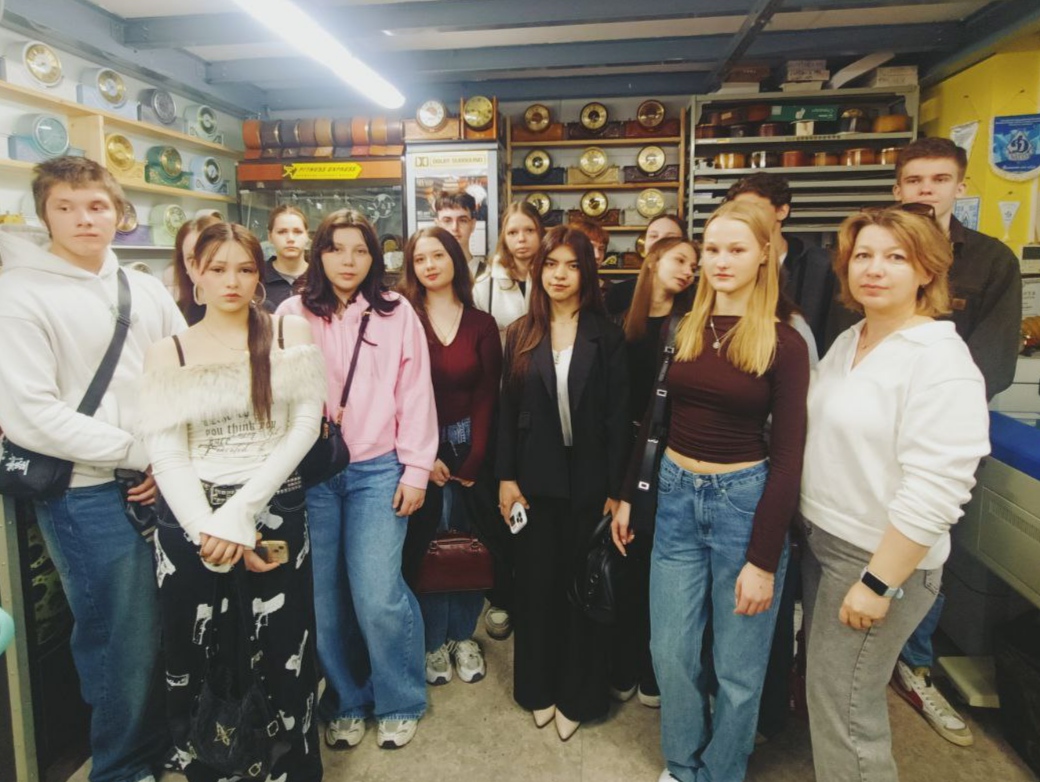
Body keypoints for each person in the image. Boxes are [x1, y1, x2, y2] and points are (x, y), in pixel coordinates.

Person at [0, 156, 185, 782]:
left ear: (119, 213)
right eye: (66, 207)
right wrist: (140, 452)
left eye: (97, 206)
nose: (84, 219)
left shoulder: (143, 288)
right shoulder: (20, 293)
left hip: (161, 480)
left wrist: (168, 456)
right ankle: (120, 765)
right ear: (44, 214)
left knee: (163, 624)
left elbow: (184, 371)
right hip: (84, 493)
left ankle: (155, 744)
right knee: (118, 635)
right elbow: (30, 416)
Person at [612, 199, 810, 782]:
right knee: (670, 652)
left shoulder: (785, 342)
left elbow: (790, 458)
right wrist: (629, 494)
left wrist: (763, 560)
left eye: (737, 250)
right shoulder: (682, 327)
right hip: (674, 496)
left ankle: (722, 771)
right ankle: (682, 765)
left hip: (742, 504)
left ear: (764, 255)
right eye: (713, 250)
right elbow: (656, 419)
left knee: (737, 666)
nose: (721, 261)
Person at [800, 206, 989, 782]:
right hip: (824, 540)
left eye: (895, 257)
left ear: (927, 270)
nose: (874, 269)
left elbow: (939, 486)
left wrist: (879, 582)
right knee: (828, 692)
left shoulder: (940, 360)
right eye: (863, 256)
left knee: (845, 709)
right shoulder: (851, 339)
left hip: (877, 558)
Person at [137, 223, 326, 781]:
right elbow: (166, 450)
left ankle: (289, 766)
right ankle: (214, 766)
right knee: (197, 651)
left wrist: (241, 514)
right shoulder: (168, 351)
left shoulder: (288, 332)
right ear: (194, 271)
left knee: (284, 646)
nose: (232, 281)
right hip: (191, 517)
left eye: (244, 269)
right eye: (217, 268)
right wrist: (206, 526)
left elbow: (304, 428)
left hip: (273, 508)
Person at [275, 209, 438, 751]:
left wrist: (416, 469)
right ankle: (345, 700)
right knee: (322, 601)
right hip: (311, 473)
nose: (348, 260)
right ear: (318, 253)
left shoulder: (396, 311)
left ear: (375, 257)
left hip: (377, 469)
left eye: (360, 250)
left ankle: (399, 698)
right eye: (336, 248)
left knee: (377, 594)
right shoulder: (292, 312)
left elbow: (415, 393)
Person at [878, 138, 1021, 746]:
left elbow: (994, 361)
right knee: (861, 544)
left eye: (939, 179)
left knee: (928, 552)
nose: (926, 190)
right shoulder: (876, 252)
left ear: (960, 187)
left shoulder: (990, 261)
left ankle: (913, 667)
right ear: (898, 188)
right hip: (871, 433)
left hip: (938, 440)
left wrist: (931, 407)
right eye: (914, 180)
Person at [497, 225, 630, 741]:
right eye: (551, 264)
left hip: (592, 485)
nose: (559, 275)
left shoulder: (607, 336)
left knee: (584, 591)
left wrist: (618, 492)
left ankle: (580, 695)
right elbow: (506, 412)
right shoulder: (520, 333)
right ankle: (538, 688)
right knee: (536, 589)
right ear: (539, 270)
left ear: (586, 273)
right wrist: (506, 478)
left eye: (572, 266)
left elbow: (619, 420)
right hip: (534, 482)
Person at [398, 227, 502, 687]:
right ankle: (432, 641)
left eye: (438, 255)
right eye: (420, 258)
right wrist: (423, 457)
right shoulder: (402, 317)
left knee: (468, 542)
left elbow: (488, 392)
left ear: (455, 260)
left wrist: (475, 457)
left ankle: (463, 635)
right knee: (425, 544)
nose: (429, 265)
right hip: (414, 447)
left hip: (468, 444)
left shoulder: (481, 323)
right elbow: (395, 391)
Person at [609, 237, 697, 709]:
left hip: (667, 450)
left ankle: (650, 667)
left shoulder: (691, 318)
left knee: (657, 566)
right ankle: (622, 660)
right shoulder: (620, 311)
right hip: (619, 445)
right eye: (680, 260)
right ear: (654, 260)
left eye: (693, 265)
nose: (687, 270)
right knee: (621, 556)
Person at [473, 200, 544, 642]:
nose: (521, 239)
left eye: (528, 231)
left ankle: (536, 592)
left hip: (544, 406)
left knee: (536, 502)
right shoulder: (486, 286)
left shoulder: (554, 274)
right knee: (497, 504)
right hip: (499, 402)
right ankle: (501, 596)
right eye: (513, 232)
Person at [726, 172, 837, 356]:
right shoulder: (729, 266)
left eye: (755, 208)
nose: (747, 217)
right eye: (739, 211)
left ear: (782, 211)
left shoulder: (820, 265)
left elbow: (833, 333)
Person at [605, 213, 687, 316]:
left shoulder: (694, 297)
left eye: (670, 238)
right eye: (653, 236)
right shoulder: (619, 293)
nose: (658, 242)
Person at [172, 214, 224, 325]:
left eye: (209, 256)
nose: (201, 266)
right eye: (191, 259)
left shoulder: (252, 310)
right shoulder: (176, 314)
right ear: (184, 265)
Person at [264, 204, 310, 310]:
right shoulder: (257, 279)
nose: (290, 238)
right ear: (270, 236)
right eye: (282, 232)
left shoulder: (321, 278)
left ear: (307, 235)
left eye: (297, 232)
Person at [435, 191, 487, 280]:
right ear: (437, 225)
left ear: (473, 225)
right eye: (447, 221)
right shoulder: (430, 273)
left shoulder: (488, 275)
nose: (454, 228)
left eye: (462, 220)